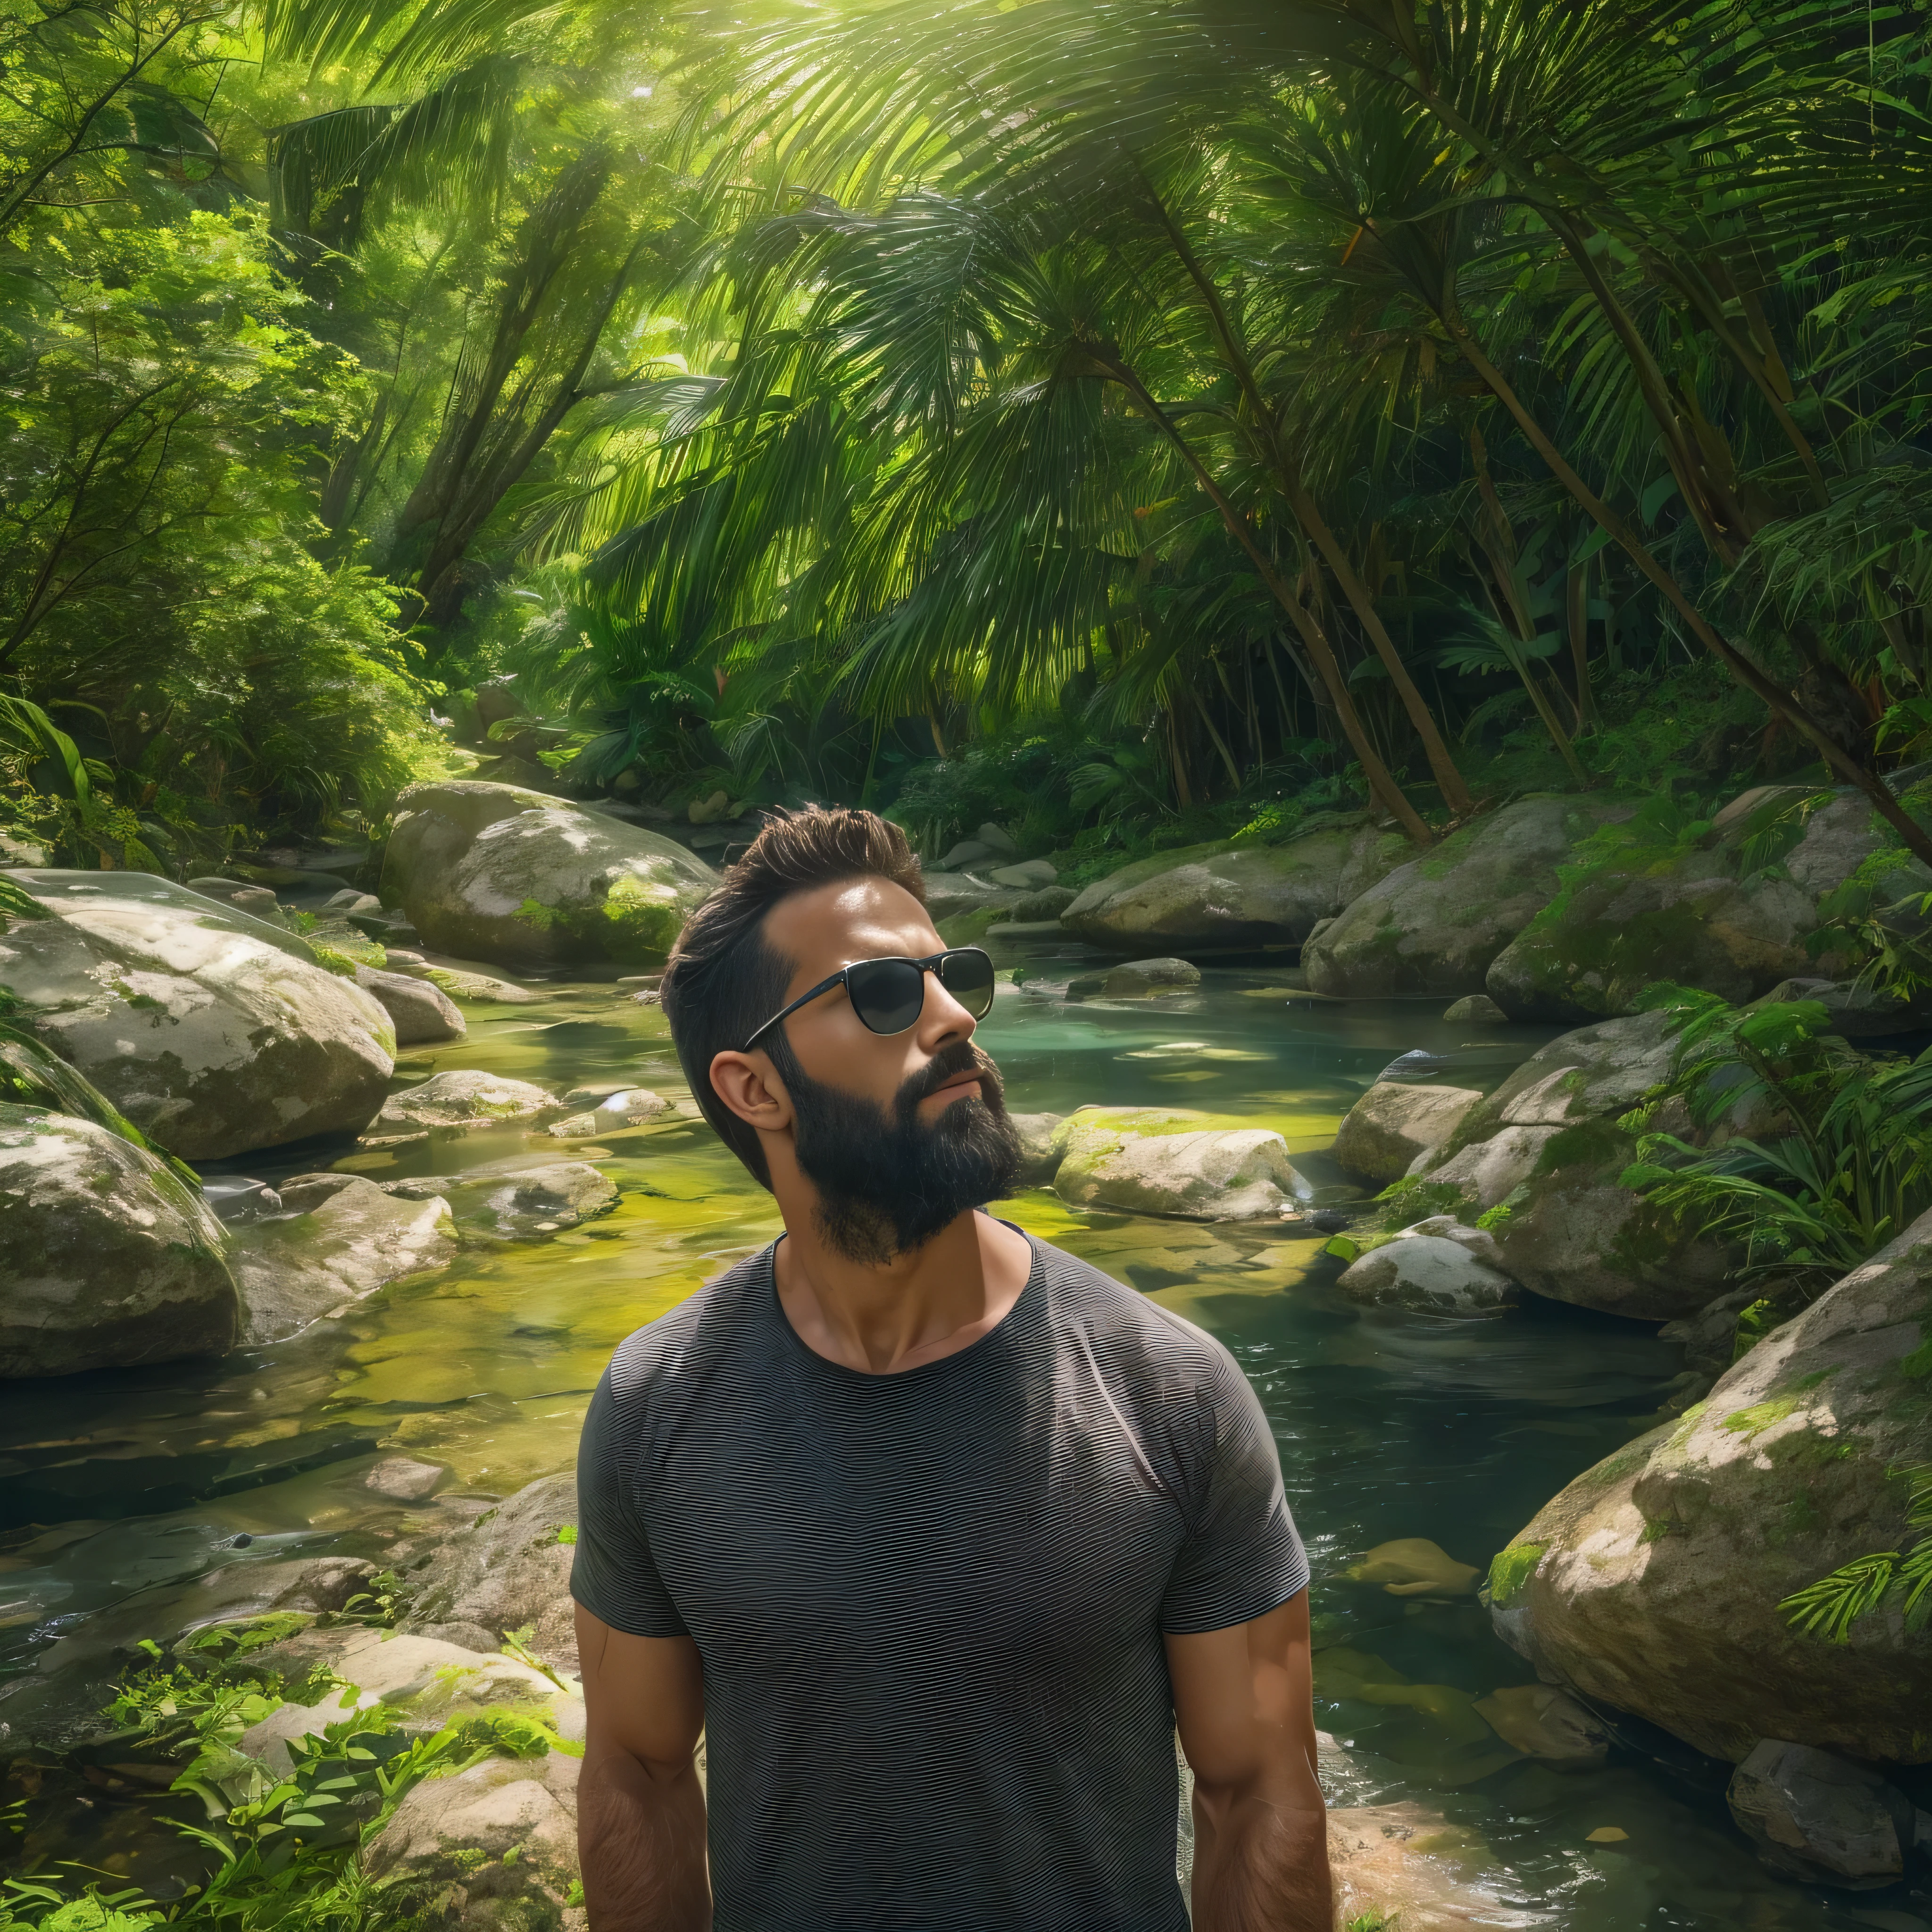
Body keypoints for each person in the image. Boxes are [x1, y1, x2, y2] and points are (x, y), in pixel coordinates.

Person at [570, 806, 1330, 1932]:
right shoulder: (657, 1404)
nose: (955, 1013)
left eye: (950, 973)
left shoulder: (1166, 1390)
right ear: (753, 1087)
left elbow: (1258, 1790)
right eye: (883, 993)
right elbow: (635, 1772)